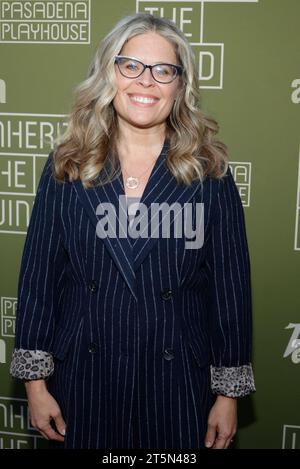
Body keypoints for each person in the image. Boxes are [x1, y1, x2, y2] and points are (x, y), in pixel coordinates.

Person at [10, 12, 256, 449]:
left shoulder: (210, 173)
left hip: (178, 383)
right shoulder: (67, 166)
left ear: (180, 86)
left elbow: (229, 289)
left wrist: (227, 393)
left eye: (164, 70)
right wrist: (35, 384)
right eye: (131, 65)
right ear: (109, 74)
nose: (147, 82)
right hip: (82, 383)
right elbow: (38, 281)